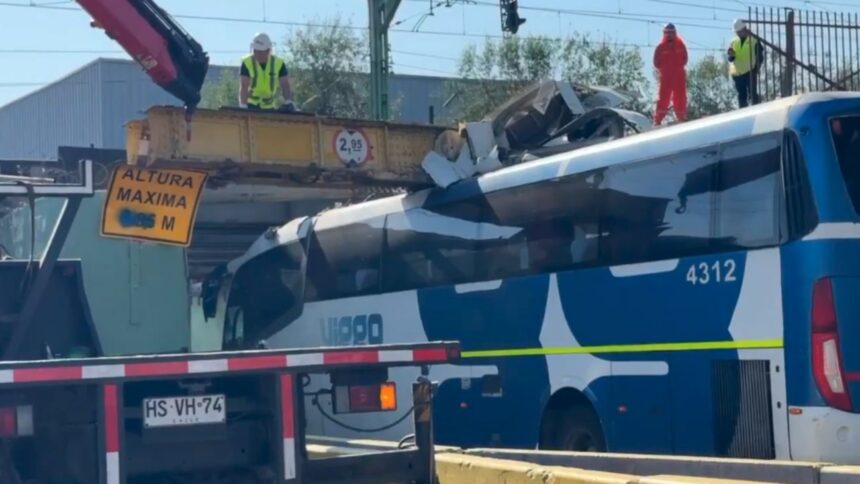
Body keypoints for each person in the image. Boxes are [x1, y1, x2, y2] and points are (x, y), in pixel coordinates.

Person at [239, 33, 295, 111]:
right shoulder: (247, 62)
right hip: (251, 105)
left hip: (269, 106)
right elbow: (244, 86)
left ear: (268, 50)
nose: (258, 54)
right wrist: (243, 105)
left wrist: (288, 101)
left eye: (261, 51)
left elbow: (285, 85)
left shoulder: (279, 63)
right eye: (256, 51)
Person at [653, 23, 688, 125]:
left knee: (680, 97)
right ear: (664, 34)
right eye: (667, 33)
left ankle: (681, 118)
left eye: (671, 33)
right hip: (666, 77)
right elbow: (656, 62)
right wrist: (664, 70)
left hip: (678, 77)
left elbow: (685, 59)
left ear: (675, 33)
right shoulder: (660, 47)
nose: (669, 35)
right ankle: (658, 120)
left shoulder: (681, 45)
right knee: (663, 99)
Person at [728, 19, 764, 108]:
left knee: (753, 95)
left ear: (744, 29)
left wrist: (757, 68)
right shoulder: (733, 41)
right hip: (737, 73)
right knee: (741, 96)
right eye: (737, 32)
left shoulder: (754, 40)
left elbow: (760, 56)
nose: (738, 34)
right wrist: (731, 55)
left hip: (750, 71)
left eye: (739, 31)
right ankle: (743, 112)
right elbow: (730, 58)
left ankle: (756, 109)